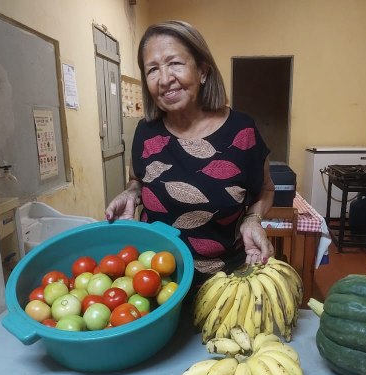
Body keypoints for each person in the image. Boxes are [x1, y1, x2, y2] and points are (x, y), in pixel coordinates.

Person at [105, 20, 275, 285]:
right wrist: (131, 193)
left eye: (175, 63)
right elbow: (138, 180)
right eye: (152, 69)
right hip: (154, 280)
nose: (164, 79)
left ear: (203, 71)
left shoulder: (242, 132)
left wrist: (253, 218)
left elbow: (266, 190)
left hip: (223, 283)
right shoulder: (146, 132)